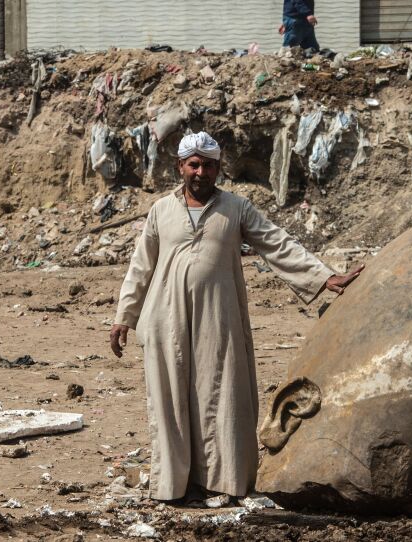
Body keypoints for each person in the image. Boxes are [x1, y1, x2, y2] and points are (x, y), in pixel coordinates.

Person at [109, 132, 363, 503]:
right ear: (181, 166)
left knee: (220, 394)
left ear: (218, 167)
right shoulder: (161, 211)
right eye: (193, 164)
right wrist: (123, 317)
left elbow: (276, 242)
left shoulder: (236, 208)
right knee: (170, 400)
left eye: (208, 165)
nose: (201, 171)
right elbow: (140, 266)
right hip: (165, 318)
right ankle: (173, 487)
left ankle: (222, 483)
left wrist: (324, 277)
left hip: (219, 317)